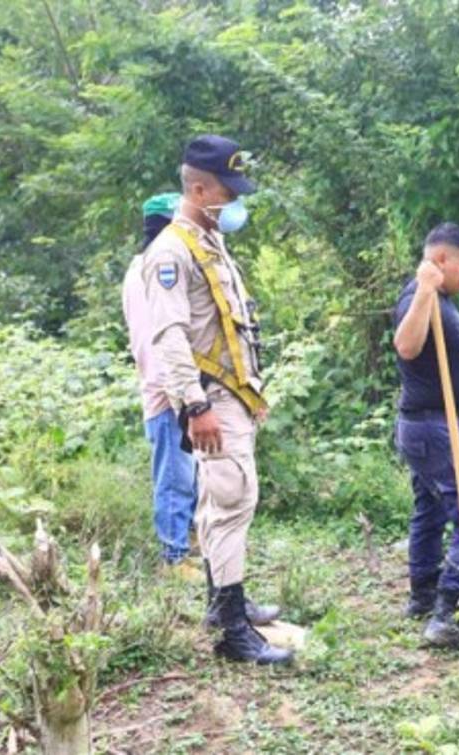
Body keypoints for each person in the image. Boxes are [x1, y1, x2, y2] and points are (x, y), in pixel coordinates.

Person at [143, 135, 288, 665]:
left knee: (218, 503)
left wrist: (251, 391)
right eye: (228, 192)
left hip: (231, 394)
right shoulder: (171, 251)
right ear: (200, 190)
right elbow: (170, 337)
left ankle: (223, 601)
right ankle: (233, 633)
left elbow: (228, 327)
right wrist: (195, 406)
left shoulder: (209, 240)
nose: (235, 201)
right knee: (232, 500)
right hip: (209, 398)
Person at [392, 222, 459, 650]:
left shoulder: (443, 300)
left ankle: (422, 596)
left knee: (431, 511)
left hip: (438, 418)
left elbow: (436, 365)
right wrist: (424, 289)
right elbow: (407, 346)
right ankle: (447, 616)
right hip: (431, 427)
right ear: (440, 260)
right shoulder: (420, 296)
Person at [122, 193, 199, 577]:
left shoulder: (145, 265)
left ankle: (189, 545)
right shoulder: (154, 269)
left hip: (173, 387)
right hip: (167, 390)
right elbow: (155, 339)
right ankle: (173, 557)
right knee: (174, 477)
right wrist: (177, 392)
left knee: (188, 473)